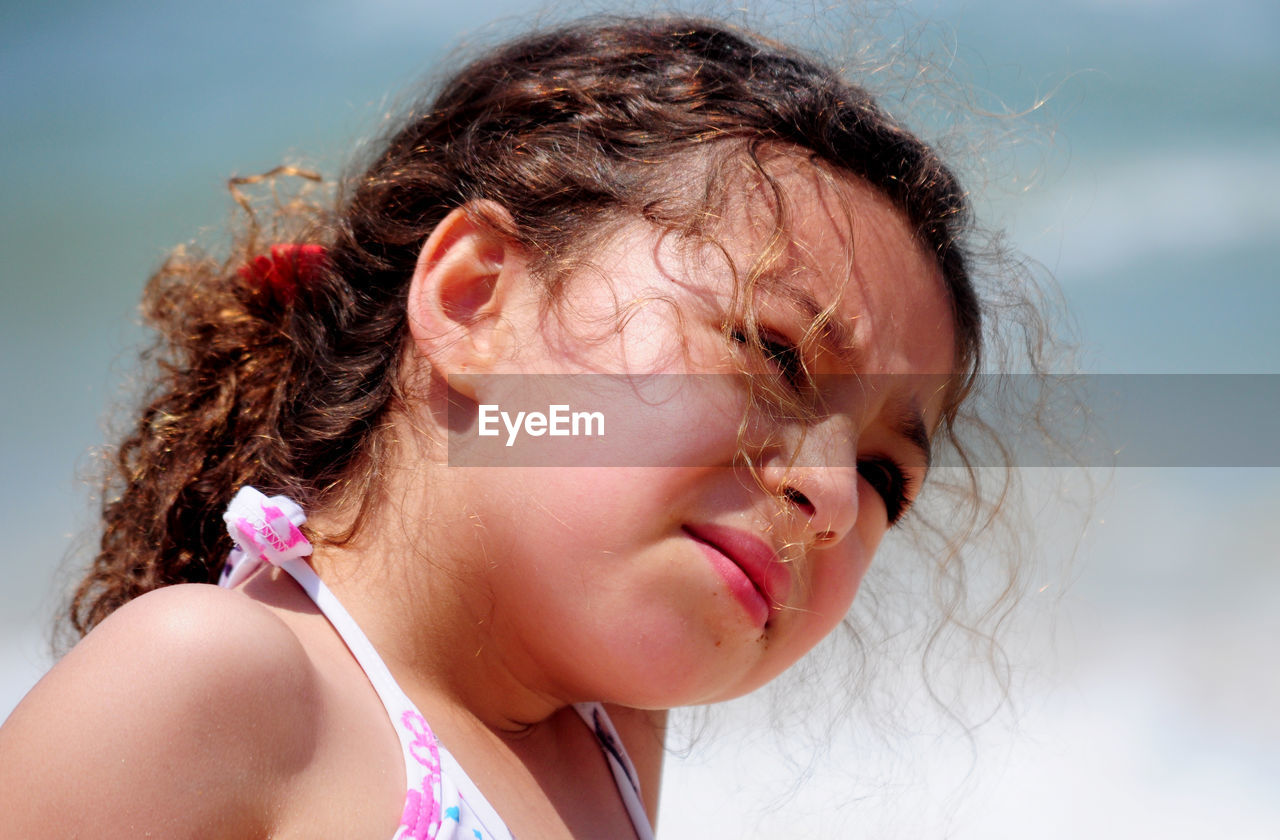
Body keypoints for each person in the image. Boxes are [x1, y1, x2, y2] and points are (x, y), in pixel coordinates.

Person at [0, 15, 1001, 839]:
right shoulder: (219, 683)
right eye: (777, 359)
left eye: (882, 479)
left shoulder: (611, 751)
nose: (827, 497)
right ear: (475, 299)